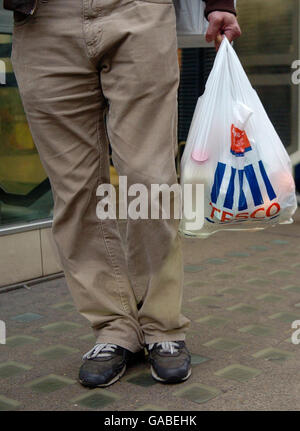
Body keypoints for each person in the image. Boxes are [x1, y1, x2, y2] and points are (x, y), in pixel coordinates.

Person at [4, 0, 241, 387]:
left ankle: (163, 327)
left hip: (139, 10)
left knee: (149, 182)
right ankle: (114, 329)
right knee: (75, 194)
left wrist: (217, 3)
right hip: (42, 21)